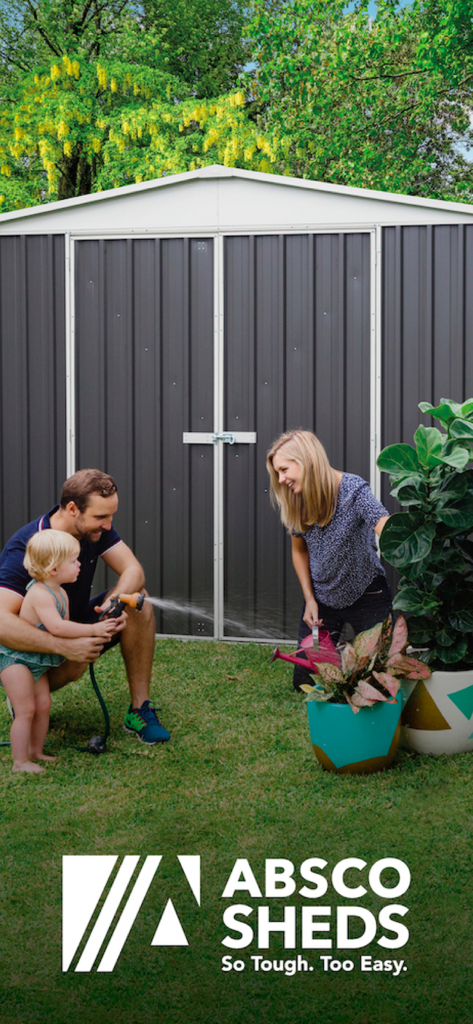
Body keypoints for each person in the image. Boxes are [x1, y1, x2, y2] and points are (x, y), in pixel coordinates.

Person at [0, 469, 170, 743]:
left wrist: (115, 601)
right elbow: (1, 622)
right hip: (30, 654)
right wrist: (62, 646)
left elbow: (133, 570)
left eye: (111, 516)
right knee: (78, 658)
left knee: (138, 601)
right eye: (101, 517)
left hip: (74, 624)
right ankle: (24, 692)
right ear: (72, 509)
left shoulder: (93, 529)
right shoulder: (27, 547)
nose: (107, 525)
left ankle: (139, 710)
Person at [266, 429, 392, 690]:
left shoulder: (352, 489)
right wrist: (310, 600)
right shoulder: (298, 500)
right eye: (277, 473)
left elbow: (382, 521)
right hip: (322, 598)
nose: (281, 479)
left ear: (306, 460)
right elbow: (299, 550)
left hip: (367, 593)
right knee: (306, 683)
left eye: (284, 469)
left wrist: (401, 539)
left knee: (381, 678)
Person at [0, 530, 116, 774]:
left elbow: (64, 632)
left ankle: (36, 751)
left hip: (37, 660)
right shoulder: (40, 594)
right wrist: (93, 627)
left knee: (43, 705)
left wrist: (94, 634)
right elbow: (57, 627)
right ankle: (20, 762)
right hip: (17, 660)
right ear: (53, 569)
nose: (79, 564)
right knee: (26, 710)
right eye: (73, 561)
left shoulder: (60, 593)